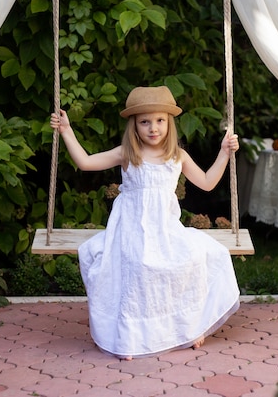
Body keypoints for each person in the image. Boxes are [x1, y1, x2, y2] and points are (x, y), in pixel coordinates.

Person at [50, 85, 240, 360]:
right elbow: (85, 162)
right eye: (145, 122)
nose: (153, 128)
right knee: (136, 267)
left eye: (160, 120)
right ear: (134, 126)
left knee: (194, 259)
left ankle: (191, 327)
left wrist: (224, 152)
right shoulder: (128, 154)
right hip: (130, 230)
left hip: (165, 229)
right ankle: (130, 338)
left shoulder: (178, 156)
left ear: (169, 123)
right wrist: (66, 130)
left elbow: (208, 183)